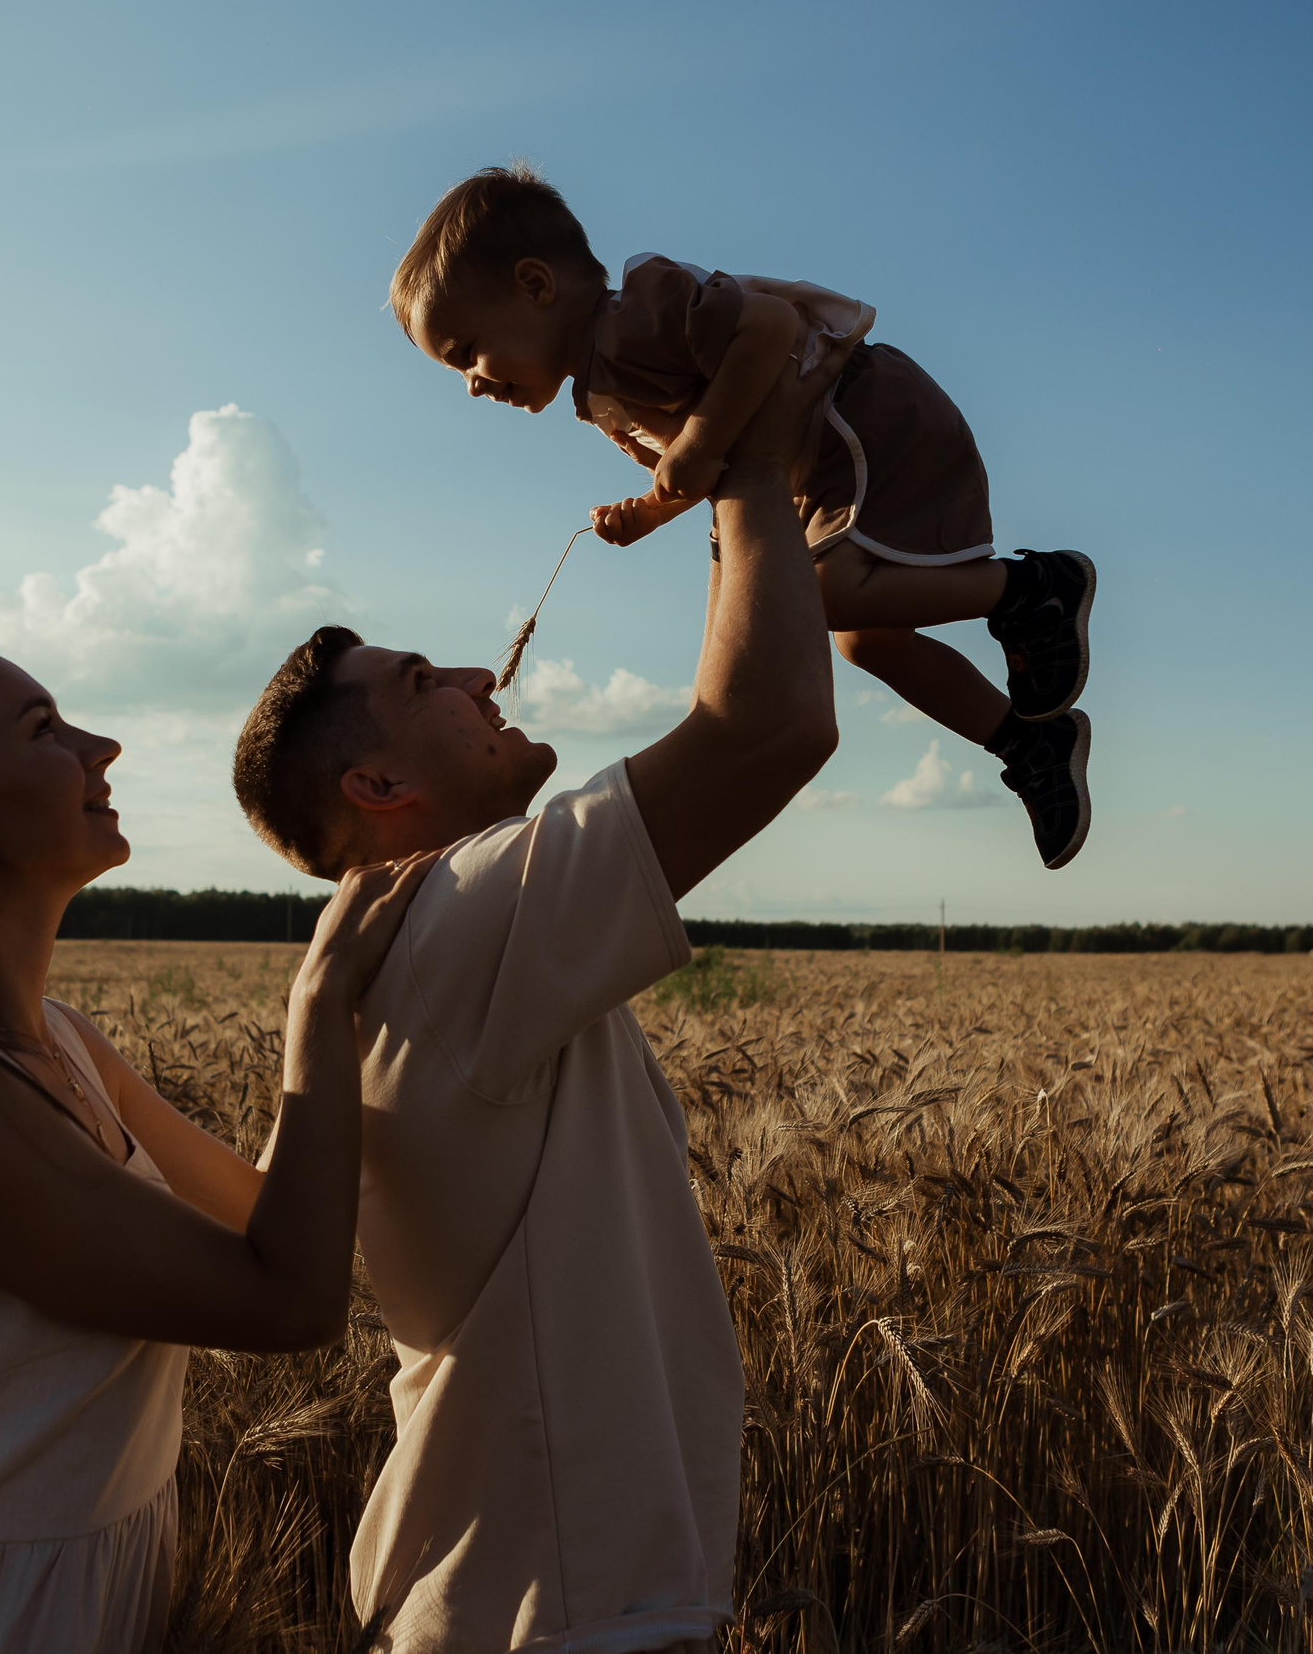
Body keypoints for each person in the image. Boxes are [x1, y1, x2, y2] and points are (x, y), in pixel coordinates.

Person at [230, 339, 842, 1651]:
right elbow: (773, 723)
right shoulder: (462, 909)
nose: (475, 672)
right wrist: (748, 450)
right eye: (420, 684)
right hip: (552, 1608)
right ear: (380, 792)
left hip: (528, 1593)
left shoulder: (424, 939)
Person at [0, 637, 433, 1654]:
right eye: (44, 729)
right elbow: (288, 1295)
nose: (101, 746)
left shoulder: (61, 1041)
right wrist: (320, 1002)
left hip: (81, 1600)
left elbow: (264, 1209)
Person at [391, 162, 1096, 869]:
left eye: (468, 354)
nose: (474, 385)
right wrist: (646, 511)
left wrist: (694, 443)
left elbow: (770, 327)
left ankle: (1032, 589)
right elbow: (712, 469)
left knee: (820, 595)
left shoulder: (638, 315)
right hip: (811, 467)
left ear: (536, 286)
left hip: (864, 420)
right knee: (860, 637)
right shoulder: (600, 390)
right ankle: (1030, 743)